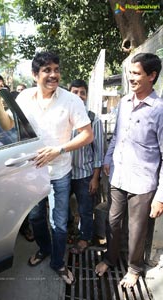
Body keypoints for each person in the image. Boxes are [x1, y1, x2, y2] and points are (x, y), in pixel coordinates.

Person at [0, 51, 93, 285]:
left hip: (59, 173)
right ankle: (44, 249)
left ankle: (58, 262)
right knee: (37, 218)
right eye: (47, 70)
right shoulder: (25, 97)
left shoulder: (71, 100)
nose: (53, 74)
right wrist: (0, 101)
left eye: (56, 69)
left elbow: (87, 135)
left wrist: (58, 150)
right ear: (34, 75)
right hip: (31, 173)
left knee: (58, 223)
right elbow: (8, 124)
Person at [95, 52, 163, 288]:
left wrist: (160, 197)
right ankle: (109, 259)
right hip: (117, 176)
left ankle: (134, 268)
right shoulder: (124, 103)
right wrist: (107, 158)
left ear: (152, 76)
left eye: (137, 73)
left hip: (143, 184)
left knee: (136, 230)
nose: (131, 78)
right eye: (130, 72)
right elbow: (117, 136)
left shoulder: (159, 110)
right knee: (112, 223)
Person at [68, 79, 104, 253]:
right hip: (64, 173)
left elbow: (99, 152)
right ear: (69, 94)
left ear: (86, 96)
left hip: (85, 174)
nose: (79, 96)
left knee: (85, 210)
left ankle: (85, 238)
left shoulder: (93, 119)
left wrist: (95, 178)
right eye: (75, 92)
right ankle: (68, 233)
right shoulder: (63, 117)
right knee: (61, 208)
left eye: (82, 92)